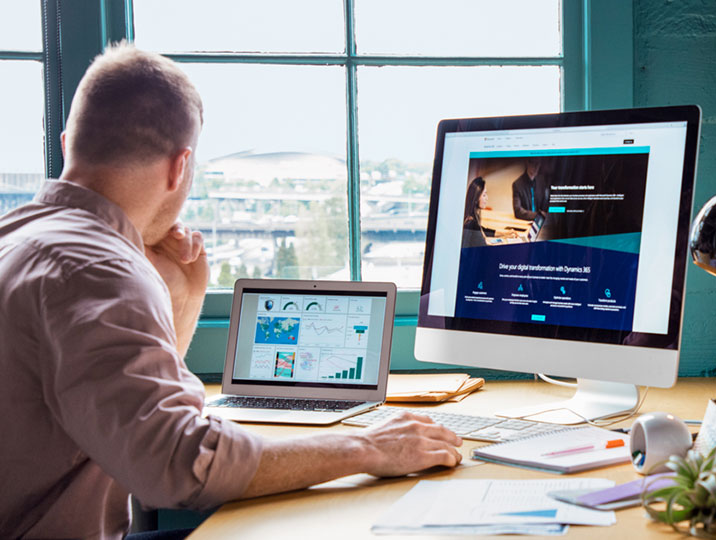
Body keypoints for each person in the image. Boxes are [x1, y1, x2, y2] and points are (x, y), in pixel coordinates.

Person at [0, 43, 462, 540]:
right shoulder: (96, 269)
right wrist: (370, 449)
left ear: (70, 144)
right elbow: (178, 467)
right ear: (180, 167)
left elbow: (130, 417)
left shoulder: (20, 237)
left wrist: (184, 295)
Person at [462, 176, 515, 247]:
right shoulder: (471, 222)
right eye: (484, 195)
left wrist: (505, 233)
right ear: (476, 198)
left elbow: (483, 231)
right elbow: (484, 248)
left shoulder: (471, 216)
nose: (487, 198)